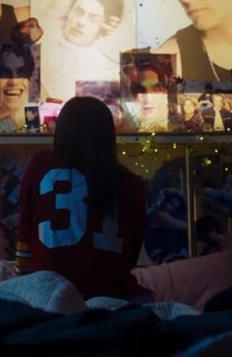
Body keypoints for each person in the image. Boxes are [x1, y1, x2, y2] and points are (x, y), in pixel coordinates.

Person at [15, 97, 149, 301]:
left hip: (49, 292)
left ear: (62, 129)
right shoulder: (131, 183)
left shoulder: (40, 164)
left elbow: (25, 229)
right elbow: (130, 255)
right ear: (108, 136)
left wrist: (24, 281)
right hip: (112, 296)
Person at [42, 0, 124, 100]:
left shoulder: (108, 71)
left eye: (93, 19)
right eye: (78, 12)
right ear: (69, 11)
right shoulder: (40, 44)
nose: (81, 22)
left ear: (103, 27)